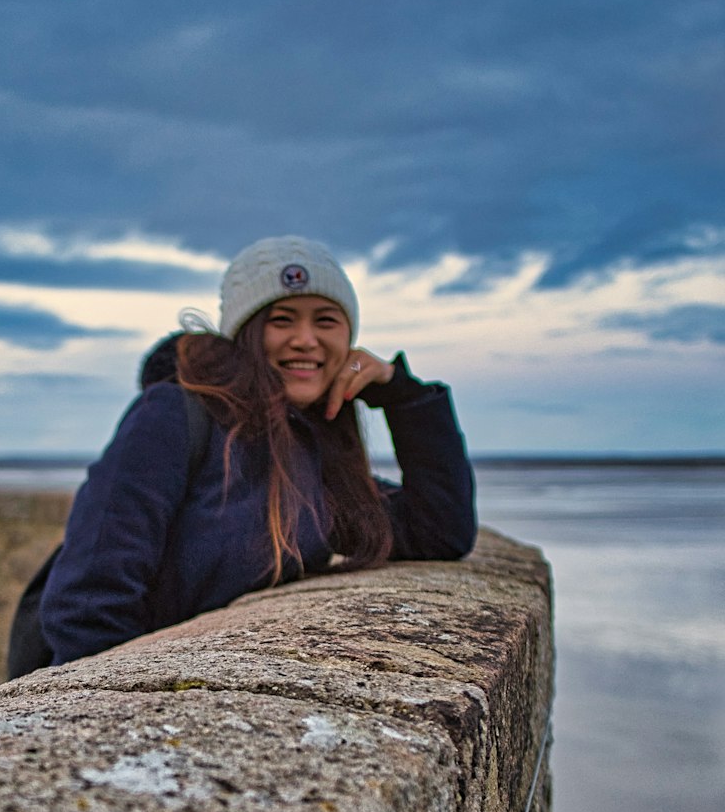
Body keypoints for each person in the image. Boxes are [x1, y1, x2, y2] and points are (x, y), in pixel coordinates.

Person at [37, 235, 476, 667]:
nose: (305, 340)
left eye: (326, 321)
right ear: (245, 333)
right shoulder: (174, 414)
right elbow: (90, 595)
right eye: (281, 320)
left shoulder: (313, 452)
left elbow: (437, 530)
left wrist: (399, 393)